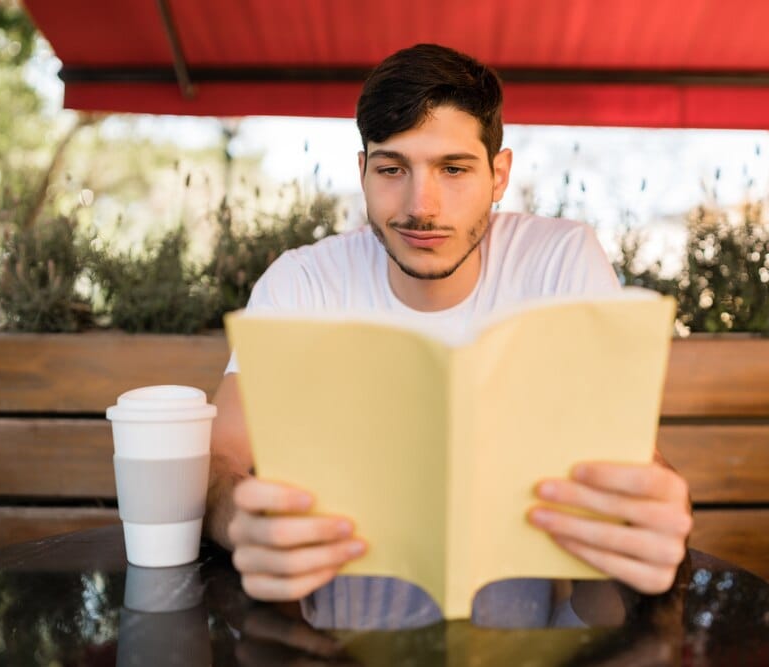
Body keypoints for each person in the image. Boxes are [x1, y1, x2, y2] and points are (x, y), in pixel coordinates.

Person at [203, 43, 692, 610]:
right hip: (336, 640)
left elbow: (621, 458)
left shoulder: (560, 260)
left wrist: (651, 515)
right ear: (362, 172)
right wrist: (238, 518)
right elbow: (220, 459)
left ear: (499, 174)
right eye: (392, 168)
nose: (421, 206)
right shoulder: (303, 282)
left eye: (454, 169)